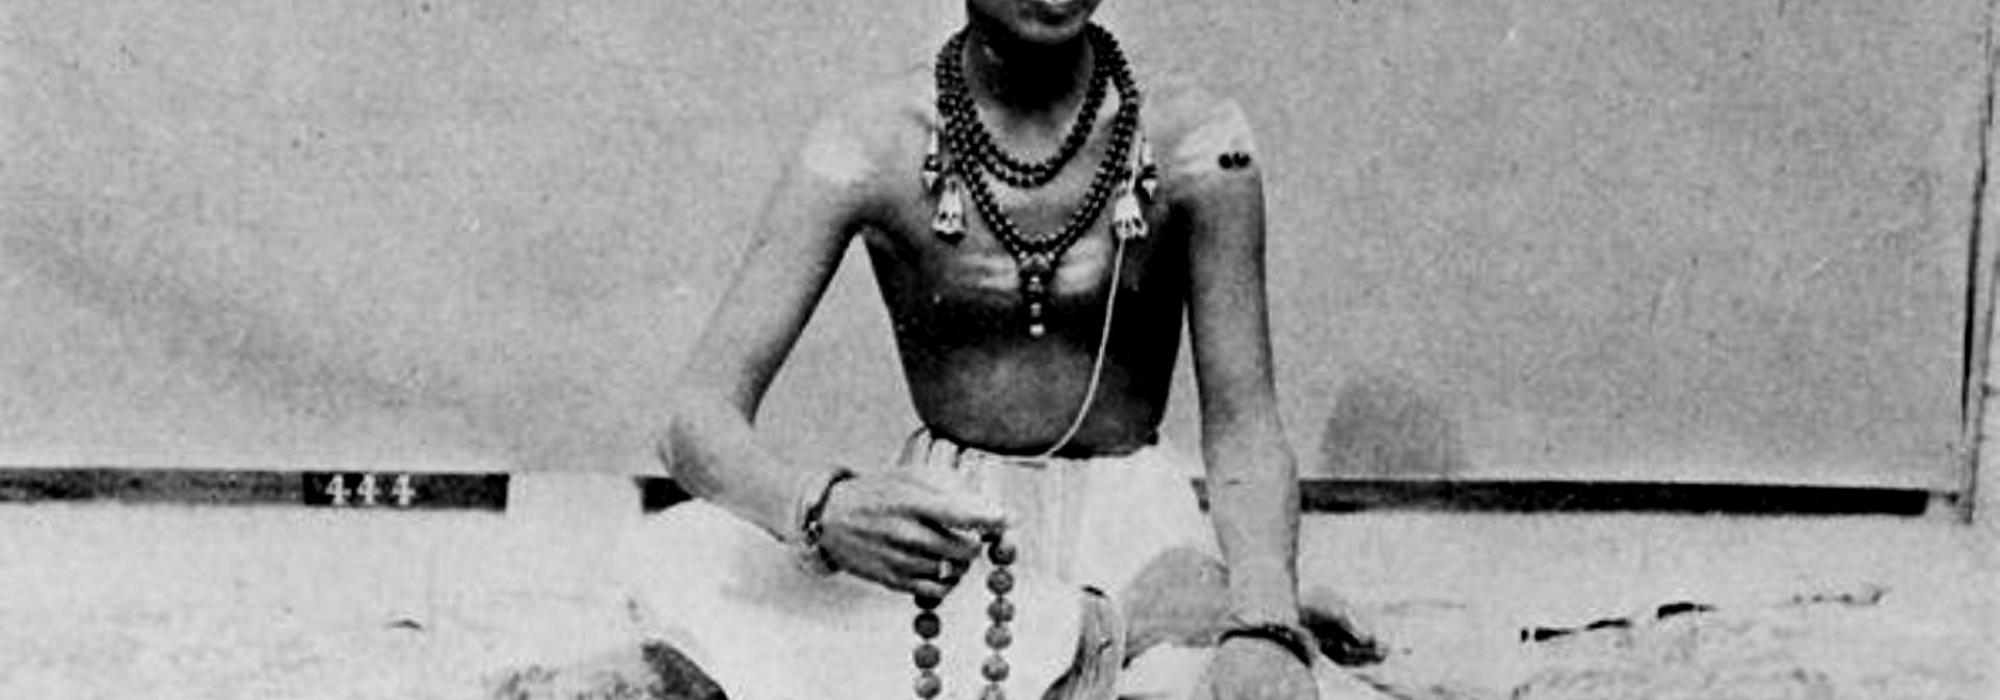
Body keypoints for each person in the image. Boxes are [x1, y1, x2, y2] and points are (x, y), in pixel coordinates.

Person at [634, 2, 1377, 698]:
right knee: (678, 558)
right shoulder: (868, 140)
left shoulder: (1199, 140)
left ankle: (1177, 611)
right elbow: (692, 417)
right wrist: (822, 509)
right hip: (950, 549)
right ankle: (1107, 627)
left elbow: (1246, 424)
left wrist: (1265, 616)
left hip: (1137, 538)